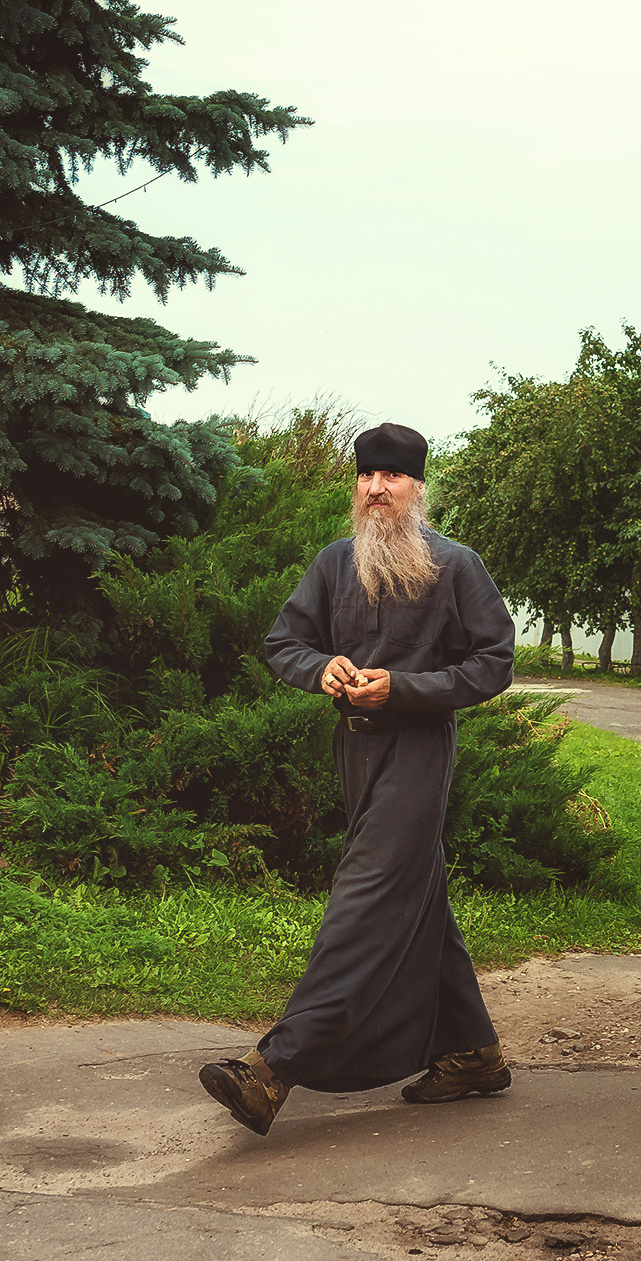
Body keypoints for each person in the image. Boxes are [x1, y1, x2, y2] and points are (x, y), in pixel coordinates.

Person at [197, 422, 518, 1135]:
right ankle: (472, 1052)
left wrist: (400, 689)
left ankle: (273, 1068)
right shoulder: (335, 562)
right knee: (416, 891)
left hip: (419, 753)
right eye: (367, 474)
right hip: (355, 753)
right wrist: (322, 669)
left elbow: (493, 662)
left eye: (393, 476)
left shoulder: (456, 566)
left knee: (364, 896)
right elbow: (285, 641)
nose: (377, 487)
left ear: (417, 488)